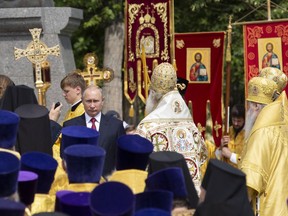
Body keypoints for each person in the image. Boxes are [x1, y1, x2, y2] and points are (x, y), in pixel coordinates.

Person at [135, 62, 208, 195]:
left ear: (153, 94)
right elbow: (202, 155)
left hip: (162, 196)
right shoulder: (190, 125)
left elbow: (138, 165)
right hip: (191, 196)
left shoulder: (147, 126)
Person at [240, 76, 288, 215]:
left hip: (270, 208)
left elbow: (250, 182)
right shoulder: (284, 125)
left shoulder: (261, 133)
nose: (247, 110)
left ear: (256, 106)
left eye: (249, 105)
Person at [62, 85, 125, 177]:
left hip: (106, 180)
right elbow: (64, 157)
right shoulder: (70, 126)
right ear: (82, 101)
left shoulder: (116, 126)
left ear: (102, 101)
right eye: (88, 101)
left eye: (95, 101)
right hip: (79, 181)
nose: (92, 105)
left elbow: (121, 157)